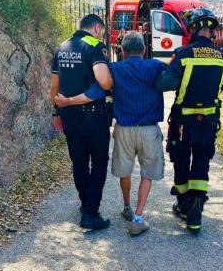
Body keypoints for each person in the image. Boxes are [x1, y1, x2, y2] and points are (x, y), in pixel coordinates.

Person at [55, 32, 167, 236]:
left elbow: (94, 93)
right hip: (149, 130)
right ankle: (138, 218)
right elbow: (172, 79)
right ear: (143, 50)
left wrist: (67, 102)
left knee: (125, 171)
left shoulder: (114, 70)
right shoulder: (156, 66)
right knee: (147, 174)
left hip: (123, 129)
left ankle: (126, 207)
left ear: (122, 51)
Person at [156, 8, 223, 234]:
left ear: (193, 29)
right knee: (201, 160)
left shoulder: (184, 54)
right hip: (208, 121)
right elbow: (220, 88)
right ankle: (196, 213)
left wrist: (164, 69)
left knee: (180, 159)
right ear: (211, 31)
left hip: (182, 122)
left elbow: (164, 84)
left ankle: (183, 204)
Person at [50, 14, 113, 230]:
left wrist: (56, 113)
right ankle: (90, 213)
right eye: (102, 31)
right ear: (97, 28)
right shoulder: (95, 46)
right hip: (92, 115)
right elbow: (104, 81)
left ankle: (85, 203)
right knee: (99, 162)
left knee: (78, 161)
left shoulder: (62, 47)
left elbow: (54, 86)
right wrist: (110, 81)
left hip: (68, 114)